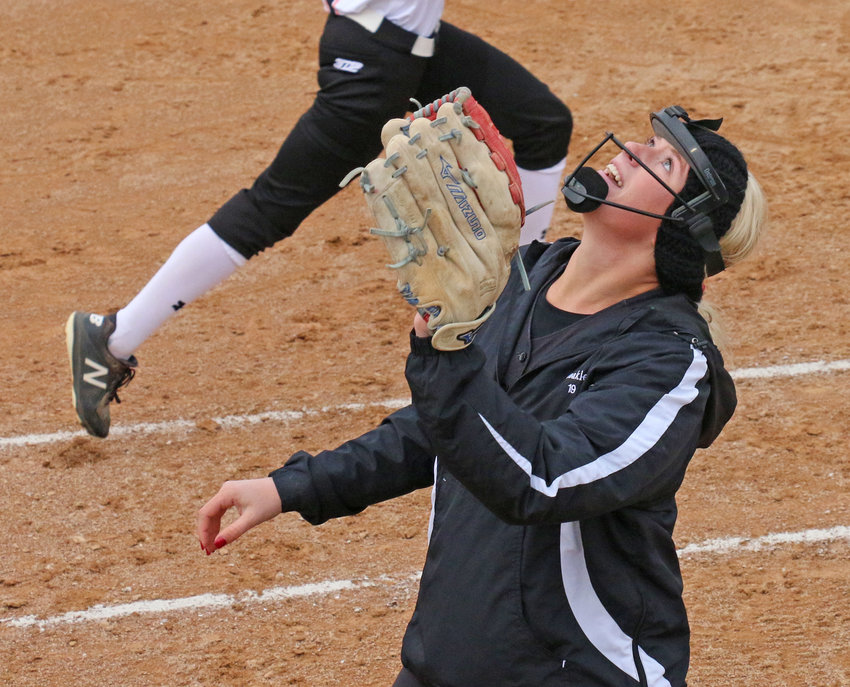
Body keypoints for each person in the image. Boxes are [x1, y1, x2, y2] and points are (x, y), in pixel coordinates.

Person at [195, 105, 768, 686]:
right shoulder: (523, 277)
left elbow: (543, 476)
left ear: (683, 225)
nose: (632, 153)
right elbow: (445, 427)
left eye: (663, 160)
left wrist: (445, 356)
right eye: (645, 141)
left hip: (575, 671)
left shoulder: (666, 361)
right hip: (444, 661)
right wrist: (295, 485)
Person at [64, 0, 573, 438]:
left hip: (412, 44)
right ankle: (111, 338)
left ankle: (513, 296)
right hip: (369, 65)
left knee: (542, 121)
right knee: (272, 205)